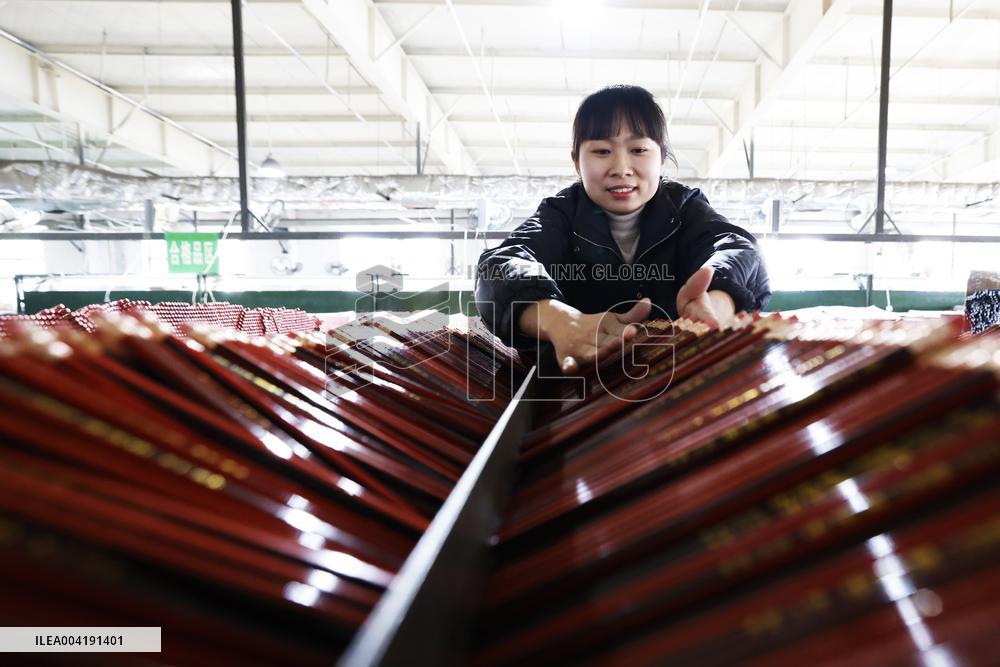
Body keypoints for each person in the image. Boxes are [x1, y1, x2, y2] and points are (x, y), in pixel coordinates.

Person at [475, 84, 770, 374]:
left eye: (638, 149)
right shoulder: (560, 214)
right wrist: (558, 320)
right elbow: (499, 266)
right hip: (574, 385)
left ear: (662, 159)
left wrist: (716, 300)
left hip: (671, 379)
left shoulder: (684, 207)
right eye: (602, 151)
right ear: (577, 162)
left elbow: (736, 247)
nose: (621, 167)